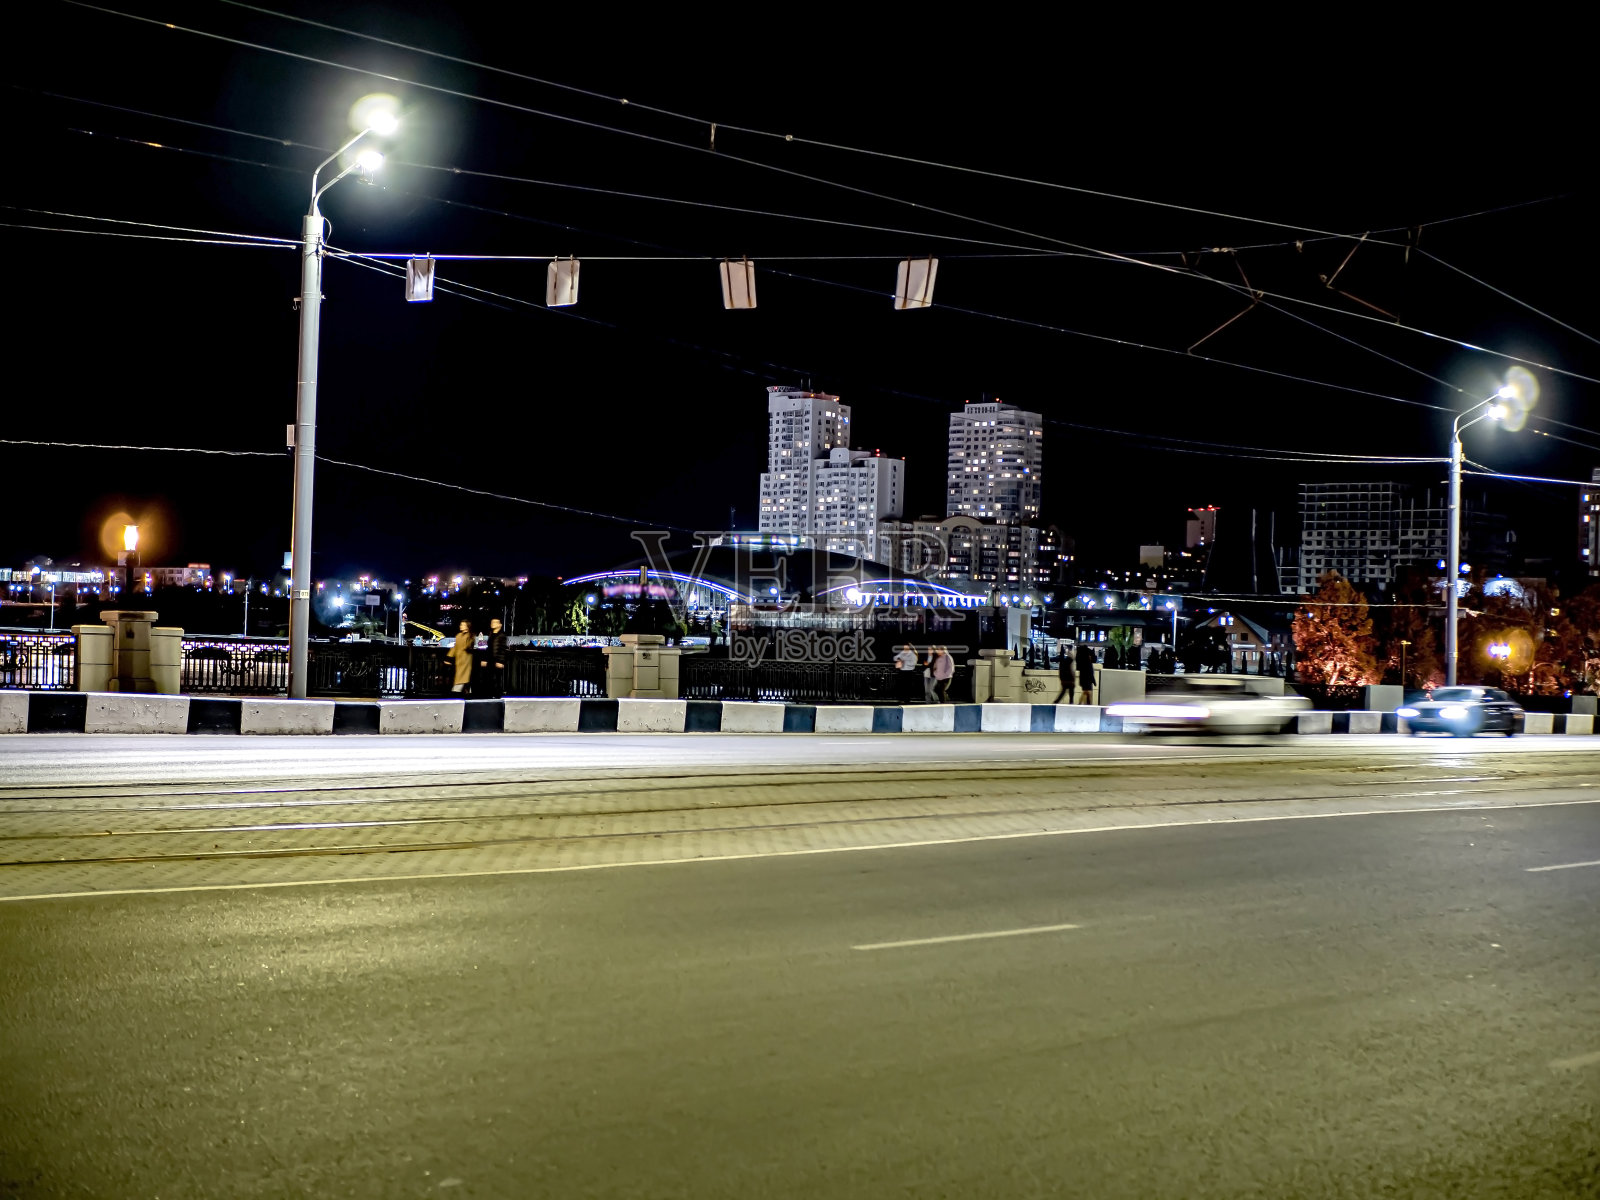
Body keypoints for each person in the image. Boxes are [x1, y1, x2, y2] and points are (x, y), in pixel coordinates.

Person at [478, 617, 508, 698]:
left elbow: (502, 650)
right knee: (488, 679)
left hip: (496, 660)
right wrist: (484, 659)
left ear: (500, 625)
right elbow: (488, 648)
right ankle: (490, 696)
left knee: (496, 680)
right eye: (492, 622)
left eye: (495, 622)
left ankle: (497, 696)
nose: (492, 623)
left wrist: (501, 662)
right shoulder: (491, 634)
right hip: (490, 660)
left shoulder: (502, 635)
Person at [447, 619, 474, 695]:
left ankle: (456, 692)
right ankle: (467, 691)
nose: (460, 626)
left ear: (467, 627)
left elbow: (469, 646)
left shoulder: (470, 636)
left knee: (462, 678)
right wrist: (449, 657)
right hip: (459, 660)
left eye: (463, 625)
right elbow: (455, 648)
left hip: (466, 660)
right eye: (461, 624)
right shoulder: (458, 636)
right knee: (463, 679)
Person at [1075, 641, 1097, 705]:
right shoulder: (1088, 664)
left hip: (1084, 681)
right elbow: (1091, 673)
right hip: (1088, 681)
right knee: (1087, 693)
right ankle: (1084, 704)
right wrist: (1094, 681)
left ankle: (1082, 704)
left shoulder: (1082, 664)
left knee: (1085, 692)